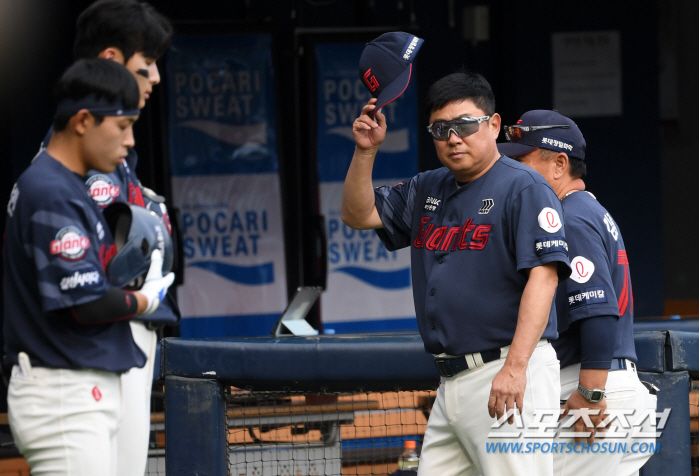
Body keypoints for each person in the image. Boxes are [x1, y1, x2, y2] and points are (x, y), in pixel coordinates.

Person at [342, 70, 571, 475]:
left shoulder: (524, 187)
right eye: (440, 128)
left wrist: (515, 368)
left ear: (494, 125)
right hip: (451, 382)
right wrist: (365, 153)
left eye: (465, 124)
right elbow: (359, 214)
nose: (453, 137)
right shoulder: (429, 186)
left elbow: (545, 277)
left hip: (507, 370)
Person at [4, 58, 175, 476]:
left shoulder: (59, 183)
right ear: (83, 121)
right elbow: (86, 302)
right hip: (63, 394)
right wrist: (145, 300)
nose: (131, 141)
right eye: (122, 126)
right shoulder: (51, 191)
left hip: (75, 387)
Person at [498, 109, 656, 476]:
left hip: (593, 390)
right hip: (616, 389)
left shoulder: (569, 218)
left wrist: (591, 393)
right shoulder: (591, 210)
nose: (513, 172)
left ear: (559, 164)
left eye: (522, 160)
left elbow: (598, 312)